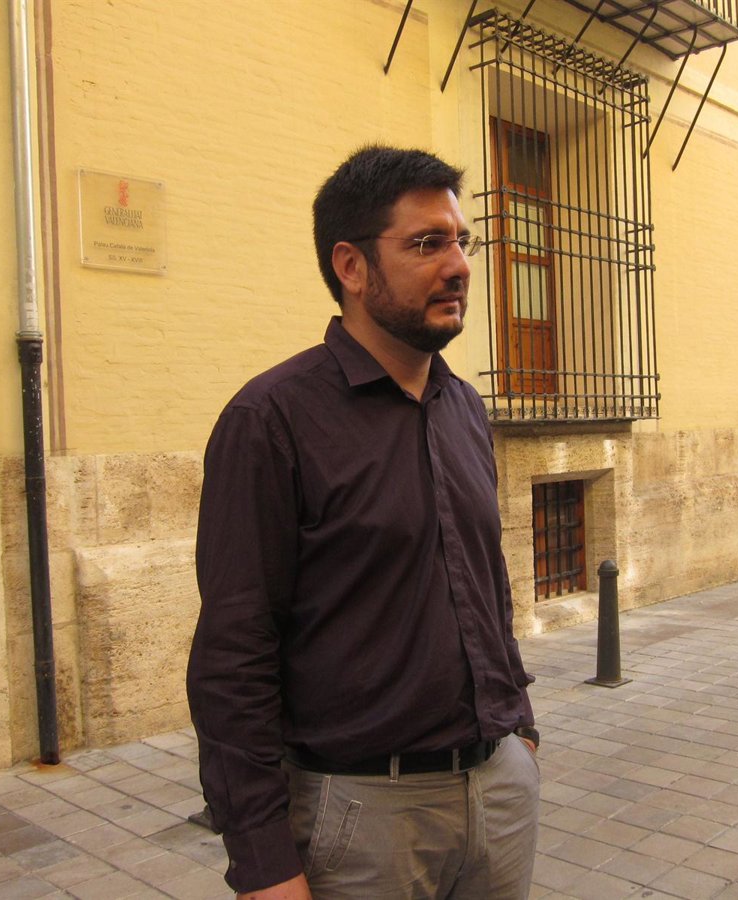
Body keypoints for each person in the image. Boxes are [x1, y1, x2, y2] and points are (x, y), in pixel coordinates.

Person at [187, 146, 540, 900]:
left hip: (499, 795)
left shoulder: (463, 407)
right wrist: (263, 862)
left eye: (461, 241)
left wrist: (521, 728)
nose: (459, 265)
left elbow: (486, 584)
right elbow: (234, 655)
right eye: (427, 243)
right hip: (362, 821)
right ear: (351, 266)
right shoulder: (271, 420)